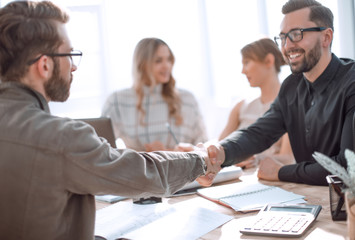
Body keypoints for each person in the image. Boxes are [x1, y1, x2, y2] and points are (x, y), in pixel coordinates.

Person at [0, 1, 218, 239]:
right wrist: (199, 160)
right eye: (69, 55)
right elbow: (141, 172)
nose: (73, 67)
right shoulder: (60, 137)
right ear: (44, 65)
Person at [203, 0, 355, 186]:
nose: (287, 45)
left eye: (296, 34)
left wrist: (281, 172)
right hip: (306, 199)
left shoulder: (351, 84)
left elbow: (348, 168)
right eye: (283, 37)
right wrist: (220, 150)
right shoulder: (291, 87)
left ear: (326, 37)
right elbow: (258, 134)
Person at [101, 38, 207, 151]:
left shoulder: (187, 100)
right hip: (139, 168)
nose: (167, 66)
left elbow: (204, 149)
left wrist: (168, 153)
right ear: (142, 64)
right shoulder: (117, 101)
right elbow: (102, 149)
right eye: (158, 61)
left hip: (183, 167)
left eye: (169, 59)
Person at [219, 38, 294, 169]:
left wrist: (257, 158)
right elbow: (220, 145)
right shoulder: (240, 107)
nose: (243, 70)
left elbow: (288, 158)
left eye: (247, 62)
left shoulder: (290, 107)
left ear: (269, 61)